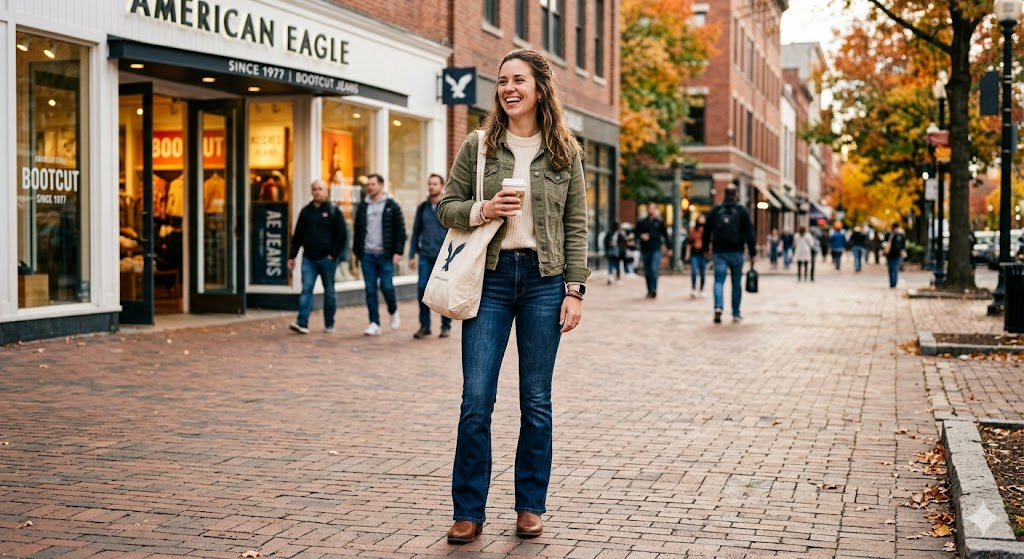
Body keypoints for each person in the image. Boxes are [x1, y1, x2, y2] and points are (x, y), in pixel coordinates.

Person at [436, 48, 589, 544]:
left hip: (545, 282)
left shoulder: (565, 151)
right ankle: (468, 510)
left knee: (536, 401)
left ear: (539, 88)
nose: (508, 88)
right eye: (503, 81)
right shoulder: (479, 145)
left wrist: (575, 290)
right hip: (492, 280)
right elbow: (446, 207)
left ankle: (529, 506)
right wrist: (483, 209)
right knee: (476, 400)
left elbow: (576, 225)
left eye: (518, 80)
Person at [286, 179, 347, 334]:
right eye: (315, 189)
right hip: (309, 258)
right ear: (311, 191)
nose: (317, 192)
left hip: (327, 259)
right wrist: (292, 256)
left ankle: (329, 323)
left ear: (326, 192)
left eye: (320, 189)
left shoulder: (333, 210)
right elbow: (298, 236)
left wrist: (333, 254)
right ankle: (302, 322)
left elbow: (342, 235)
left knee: (329, 291)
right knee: (306, 289)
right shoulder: (306, 211)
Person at [353, 173, 407, 336]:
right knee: (370, 289)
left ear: (381, 185)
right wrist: (357, 253)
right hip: (367, 255)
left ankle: (393, 310)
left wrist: (398, 252)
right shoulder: (363, 207)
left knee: (386, 286)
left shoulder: (392, 206)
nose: (369, 187)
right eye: (368, 184)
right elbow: (357, 231)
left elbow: (401, 231)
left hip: (386, 255)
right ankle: (374, 323)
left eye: (373, 184)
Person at [702, 182, 756, 323]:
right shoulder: (742, 211)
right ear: (736, 195)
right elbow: (750, 233)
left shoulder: (715, 210)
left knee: (719, 280)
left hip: (719, 251)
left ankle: (718, 306)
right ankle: (736, 313)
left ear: (724, 194)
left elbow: (706, 231)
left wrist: (705, 248)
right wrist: (753, 252)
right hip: (737, 251)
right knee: (736, 283)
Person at [408, 173, 453, 339]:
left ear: (442, 186)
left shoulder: (447, 207)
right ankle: (425, 326)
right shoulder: (422, 208)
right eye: (429, 184)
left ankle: (446, 326)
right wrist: (411, 254)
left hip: (444, 258)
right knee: (422, 289)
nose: (431, 186)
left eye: (435, 184)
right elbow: (416, 232)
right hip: (425, 256)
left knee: (443, 292)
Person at [636, 202, 670, 298]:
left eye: (653, 208)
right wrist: (641, 236)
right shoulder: (642, 222)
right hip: (645, 248)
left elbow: (665, 235)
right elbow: (635, 233)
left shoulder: (659, 222)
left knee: (654, 269)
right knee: (647, 270)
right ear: (647, 209)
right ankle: (649, 289)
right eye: (650, 208)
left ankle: (654, 289)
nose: (651, 210)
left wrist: (669, 248)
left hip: (656, 248)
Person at [687, 214, 709, 298]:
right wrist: (687, 254)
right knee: (694, 271)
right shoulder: (693, 231)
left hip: (703, 254)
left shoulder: (707, 231)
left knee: (703, 273)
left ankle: (701, 289)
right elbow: (689, 243)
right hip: (695, 254)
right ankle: (693, 288)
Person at [884, 222, 908, 288]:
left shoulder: (896, 235)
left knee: (894, 268)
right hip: (892, 254)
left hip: (894, 254)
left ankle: (893, 283)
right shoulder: (894, 235)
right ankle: (893, 282)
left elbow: (903, 244)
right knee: (892, 268)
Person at [603, 221, 626, 285]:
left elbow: (623, 243)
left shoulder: (619, 234)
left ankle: (616, 278)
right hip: (612, 251)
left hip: (617, 252)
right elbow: (606, 242)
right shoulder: (611, 233)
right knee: (612, 264)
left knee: (616, 264)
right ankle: (611, 277)